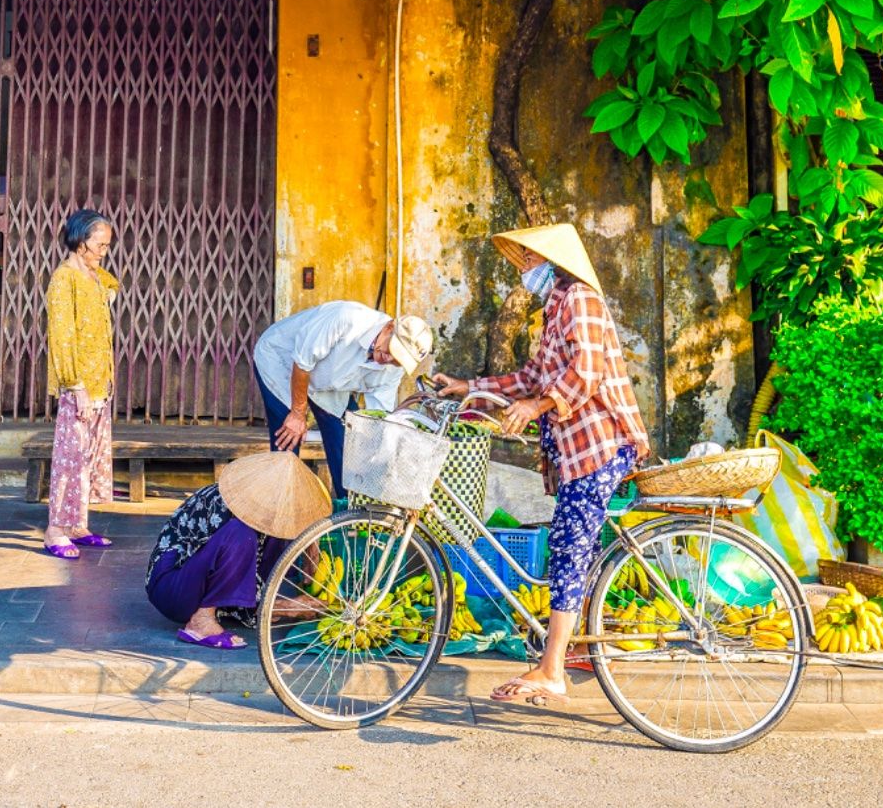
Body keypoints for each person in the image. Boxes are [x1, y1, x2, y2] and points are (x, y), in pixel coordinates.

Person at [434, 222, 650, 708]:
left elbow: (588, 373)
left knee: (570, 549)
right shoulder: (553, 313)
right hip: (576, 452)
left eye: (530, 262)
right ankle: (574, 650)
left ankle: (553, 670)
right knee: (571, 550)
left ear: (554, 263)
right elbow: (531, 375)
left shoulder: (581, 300)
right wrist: (470, 386)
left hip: (599, 445)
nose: (524, 271)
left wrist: (536, 407)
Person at [146, 450, 330, 648]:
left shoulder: (263, 513)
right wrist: (283, 608)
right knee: (240, 533)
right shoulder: (223, 507)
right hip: (173, 589)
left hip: (199, 583)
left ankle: (221, 610)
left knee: (272, 536)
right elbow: (231, 567)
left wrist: (312, 543)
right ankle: (201, 621)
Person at [253, 303, 434, 500]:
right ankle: (279, 519)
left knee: (348, 440)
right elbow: (302, 363)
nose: (388, 359)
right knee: (289, 439)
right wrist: (298, 413)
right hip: (282, 361)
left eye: (397, 360)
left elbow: (379, 418)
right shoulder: (346, 319)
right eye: (392, 350)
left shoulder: (392, 369)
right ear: (389, 327)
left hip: (329, 379)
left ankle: (349, 514)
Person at [43, 209, 119, 559]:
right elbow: (61, 336)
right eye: (98, 244)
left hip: (99, 379)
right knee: (69, 460)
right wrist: (76, 386)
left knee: (87, 459)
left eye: (106, 244)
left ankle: (77, 525)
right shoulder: (64, 279)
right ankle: (55, 530)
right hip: (81, 386)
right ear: (78, 240)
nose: (103, 250)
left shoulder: (90, 274)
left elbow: (113, 284)